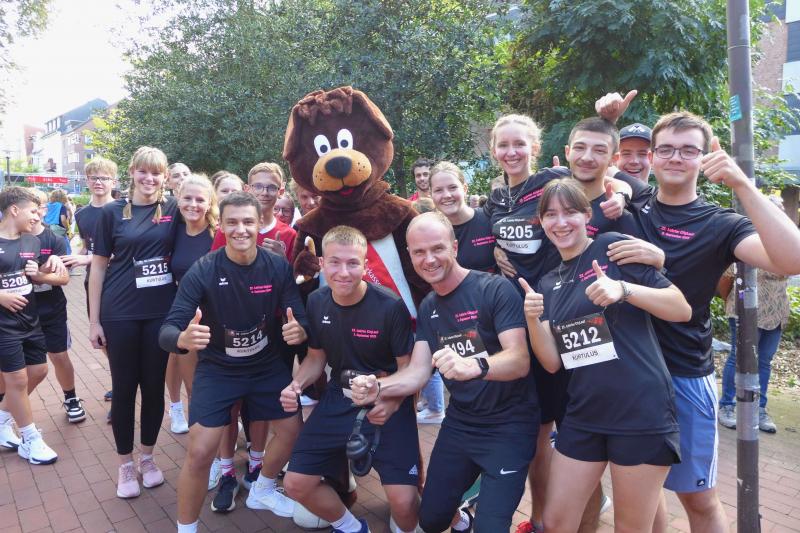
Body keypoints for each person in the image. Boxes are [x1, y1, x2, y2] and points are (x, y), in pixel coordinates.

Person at [600, 93, 800, 533]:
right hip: (629, 373)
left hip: (684, 373)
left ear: (705, 157)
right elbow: (586, 170)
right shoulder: (630, 205)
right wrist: (606, 123)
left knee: (698, 498)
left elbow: (792, 259)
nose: (676, 157)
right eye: (667, 149)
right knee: (642, 489)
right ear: (652, 157)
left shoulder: (720, 223)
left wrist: (742, 184)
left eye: (689, 150)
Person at [484, 113, 629, 533]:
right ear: (494, 150)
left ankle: (584, 517)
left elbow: (603, 177)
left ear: (535, 146)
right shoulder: (495, 198)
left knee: (578, 433)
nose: (511, 152)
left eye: (519, 143)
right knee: (538, 431)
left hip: (566, 311)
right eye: (503, 144)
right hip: (521, 324)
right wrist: (495, 254)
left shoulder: (552, 179)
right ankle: (541, 518)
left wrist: (622, 191)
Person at [351, 211, 536, 532]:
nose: (429, 259)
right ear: (410, 256)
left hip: (509, 426)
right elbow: (418, 372)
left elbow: (519, 360)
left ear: (454, 246)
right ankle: (462, 522)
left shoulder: (494, 289)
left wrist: (474, 365)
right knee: (432, 519)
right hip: (461, 424)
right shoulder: (429, 306)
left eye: (437, 248)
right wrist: (377, 387)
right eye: (419, 252)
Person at [523, 179, 690, 532]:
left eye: (570, 212)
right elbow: (552, 362)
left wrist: (623, 290)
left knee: (630, 527)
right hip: (583, 411)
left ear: (587, 215)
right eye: (550, 214)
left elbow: (680, 308)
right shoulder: (548, 282)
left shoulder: (610, 247)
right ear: (541, 222)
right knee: (555, 522)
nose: (561, 222)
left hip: (639, 410)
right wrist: (533, 320)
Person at [159, 191, 307, 531]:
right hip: (219, 369)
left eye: (248, 222)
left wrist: (301, 330)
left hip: (266, 366)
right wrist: (181, 339)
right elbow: (167, 328)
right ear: (222, 227)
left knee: (292, 431)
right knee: (200, 452)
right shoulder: (203, 270)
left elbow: (299, 316)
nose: (241, 229)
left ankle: (262, 489)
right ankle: (186, 528)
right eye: (233, 223)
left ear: (259, 224)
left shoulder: (276, 266)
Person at [282, 225, 419, 533]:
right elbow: (316, 358)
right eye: (334, 262)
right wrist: (296, 384)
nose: (343, 272)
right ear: (321, 263)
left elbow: (408, 369)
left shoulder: (390, 306)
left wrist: (392, 402)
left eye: (352, 263)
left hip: (385, 403)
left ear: (365, 264)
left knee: (405, 504)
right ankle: (353, 528)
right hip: (338, 400)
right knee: (296, 483)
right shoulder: (317, 301)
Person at [88, 146, 179, 498]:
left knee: (154, 387)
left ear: (165, 176)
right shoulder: (111, 213)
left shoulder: (173, 209)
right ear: (132, 172)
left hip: (160, 313)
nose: (149, 178)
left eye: (156, 172)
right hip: (120, 312)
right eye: (143, 171)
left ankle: (148, 457)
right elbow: (98, 266)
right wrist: (94, 321)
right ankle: (125, 464)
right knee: (124, 388)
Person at [418, 161, 498, 426]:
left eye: (452, 187)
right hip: (455, 321)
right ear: (430, 194)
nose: (447, 195)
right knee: (466, 387)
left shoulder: (488, 220)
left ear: (465, 187)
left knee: (499, 383)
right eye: (439, 190)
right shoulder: (429, 231)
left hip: (496, 318)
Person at [0, 187, 63, 464]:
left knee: (38, 370)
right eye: (33, 211)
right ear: (15, 210)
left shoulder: (32, 242)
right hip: (3, 326)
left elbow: (33, 276)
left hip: (31, 321)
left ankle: (2, 420)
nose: (38, 217)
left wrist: (45, 269)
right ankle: (30, 439)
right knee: (17, 380)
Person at [718, 199, 790, 434]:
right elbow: (725, 279)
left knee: (764, 361)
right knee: (739, 357)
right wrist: (733, 303)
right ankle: (727, 405)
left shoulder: (785, 242)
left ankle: (759, 408)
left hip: (776, 313)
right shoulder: (745, 237)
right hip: (745, 311)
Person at [165, 175, 218, 436]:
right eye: (187, 198)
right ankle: (187, 418)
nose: (193, 204)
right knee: (192, 379)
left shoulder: (217, 233)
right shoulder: (172, 231)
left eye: (200, 199)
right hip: (185, 313)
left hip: (217, 313)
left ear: (209, 203)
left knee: (218, 376)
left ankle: (222, 426)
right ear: (178, 199)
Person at [63, 156, 118, 409]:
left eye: (104, 178)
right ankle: (120, 378)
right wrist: (72, 260)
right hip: (94, 282)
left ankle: (123, 382)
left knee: (120, 335)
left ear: (113, 181)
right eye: (94, 177)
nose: (99, 182)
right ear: (86, 180)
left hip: (119, 280)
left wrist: (85, 259)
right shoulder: (82, 214)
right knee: (101, 335)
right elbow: (88, 247)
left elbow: (126, 250)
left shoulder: (123, 210)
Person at [26, 189, 83, 423]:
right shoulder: (10, 238)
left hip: (51, 309)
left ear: (44, 209)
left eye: (38, 207)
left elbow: (63, 278)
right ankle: (8, 404)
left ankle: (71, 398)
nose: (34, 213)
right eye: (29, 208)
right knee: (15, 363)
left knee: (59, 355)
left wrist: (39, 276)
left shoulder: (55, 240)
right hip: (18, 312)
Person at [211, 162, 296, 262]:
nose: (264, 193)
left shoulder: (289, 234)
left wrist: (282, 260)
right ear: (247, 189)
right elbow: (213, 267)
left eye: (272, 187)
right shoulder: (229, 229)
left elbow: (295, 271)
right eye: (258, 186)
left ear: (280, 192)